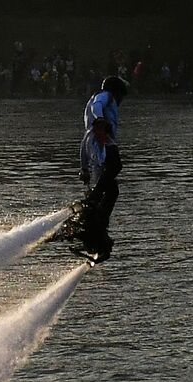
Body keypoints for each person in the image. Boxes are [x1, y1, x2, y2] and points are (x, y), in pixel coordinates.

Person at [76, 75, 127, 261]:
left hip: (93, 144)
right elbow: (97, 105)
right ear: (116, 91)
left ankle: (98, 231)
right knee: (115, 165)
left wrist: (84, 169)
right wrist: (100, 120)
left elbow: (83, 144)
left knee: (112, 190)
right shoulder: (106, 96)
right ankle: (93, 201)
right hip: (101, 140)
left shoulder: (90, 123)